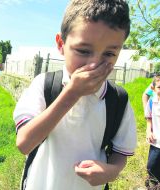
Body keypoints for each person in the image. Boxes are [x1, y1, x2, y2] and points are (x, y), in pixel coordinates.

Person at [13, 0, 137, 189]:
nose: (94, 64)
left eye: (110, 54)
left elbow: (121, 153)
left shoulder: (118, 99)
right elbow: (24, 143)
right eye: (83, 51)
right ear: (61, 44)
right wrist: (72, 93)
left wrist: (111, 172)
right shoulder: (44, 85)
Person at [144, 76, 160, 188]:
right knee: (151, 165)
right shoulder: (151, 102)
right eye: (159, 87)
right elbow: (149, 117)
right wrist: (148, 131)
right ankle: (153, 183)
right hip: (156, 140)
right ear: (153, 88)